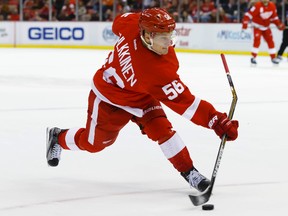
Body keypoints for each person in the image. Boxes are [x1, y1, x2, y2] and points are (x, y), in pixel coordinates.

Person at [46, 8, 239, 192]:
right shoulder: (156, 71)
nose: (169, 43)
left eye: (171, 35)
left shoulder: (133, 24)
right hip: (110, 97)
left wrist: (151, 18)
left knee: (162, 130)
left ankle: (190, 173)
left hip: (142, 97)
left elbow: (118, 22)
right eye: (164, 37)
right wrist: (216, 120)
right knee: (94, 144)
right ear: (148, 36)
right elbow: (186, 104)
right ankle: (58, 137)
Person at [242, 0, 285, 65]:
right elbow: (248, 15)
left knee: (270, 41)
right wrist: (245, 23)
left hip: (266, 27)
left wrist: (279, 24)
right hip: (257, 26)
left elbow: (274, 17)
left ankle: (273, 57)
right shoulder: (257, 5)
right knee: (257, 41)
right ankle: (253, 57)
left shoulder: (272, 6)